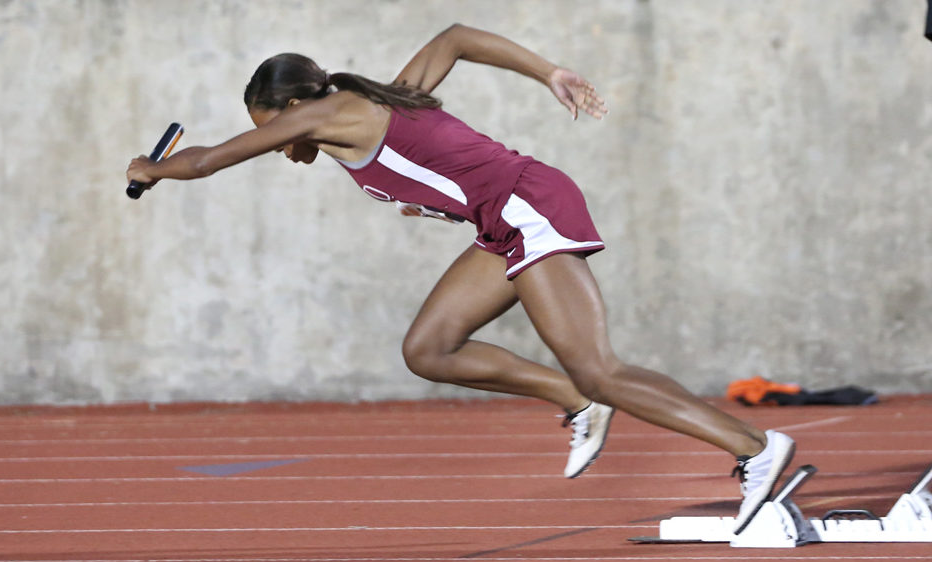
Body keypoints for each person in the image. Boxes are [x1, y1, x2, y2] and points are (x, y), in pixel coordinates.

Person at [127, 24, 795, 534]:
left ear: (302, 103)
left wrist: (150, 170)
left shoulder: (325, 112)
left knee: (602, 368)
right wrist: (546, 75)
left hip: (528, 208)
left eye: (276, 129)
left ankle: (756, 447)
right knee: (430, 350)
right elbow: (455, 39)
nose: (284, 145)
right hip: (500, 223)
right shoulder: (373, 102)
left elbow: (210, 160)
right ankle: (575, 398)